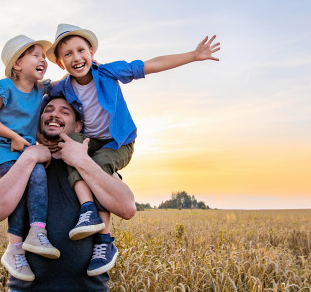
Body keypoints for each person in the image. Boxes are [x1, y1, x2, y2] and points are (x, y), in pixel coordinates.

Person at [46, 23, 220, 275]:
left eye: (80, 50)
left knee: (99, 168)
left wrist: (193, 56)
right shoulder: (63, 87)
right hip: (91, 140)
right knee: (71, 149)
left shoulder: (107, 72)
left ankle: (104, 242)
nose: (76, 57)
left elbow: (149, 65)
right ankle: (87, 210)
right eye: (68, 54)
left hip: (118, 142)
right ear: (61, 63)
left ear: (91, 52)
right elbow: (36, 92)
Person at [0, 96, 136, 292]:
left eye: (65, 112)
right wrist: (29, 157)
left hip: (89, 288)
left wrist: (82, 161)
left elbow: (127, 207)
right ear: (38, 121)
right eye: (48, 110)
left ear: (79, 126)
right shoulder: (21, 163)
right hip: (26, 288)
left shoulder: (95, 165)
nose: (54, 114)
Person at [0, 35, 60, 282]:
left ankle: (36, 232)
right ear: (17, 64)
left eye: (44, 57)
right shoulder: (5, 87)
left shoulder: (40, 90)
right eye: (35, 55)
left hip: (20, 149)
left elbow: (62, 81)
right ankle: (15, 247)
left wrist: (87, 64)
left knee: (35, 174)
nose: (42, 60)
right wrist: (13, 136)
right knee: (25, 179)